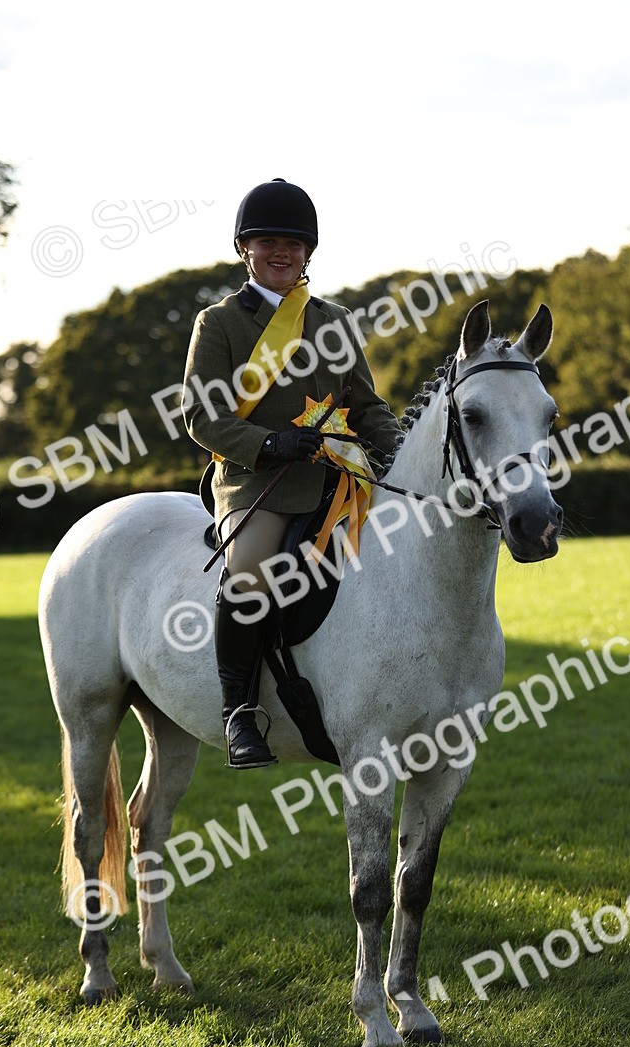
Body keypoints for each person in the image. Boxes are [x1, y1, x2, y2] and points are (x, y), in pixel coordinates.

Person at [182, 178, 402, 769]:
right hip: (258, 483)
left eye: (293, 244)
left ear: (308, 252)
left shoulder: (334, 320)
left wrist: (402, 453)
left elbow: (365, 407)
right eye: (268, 242)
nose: (282, 252)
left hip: (340, 481)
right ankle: (239, 712)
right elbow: (203, 417)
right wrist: (270, 442)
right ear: (245, 249)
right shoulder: (220, 323)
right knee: (252, 572)